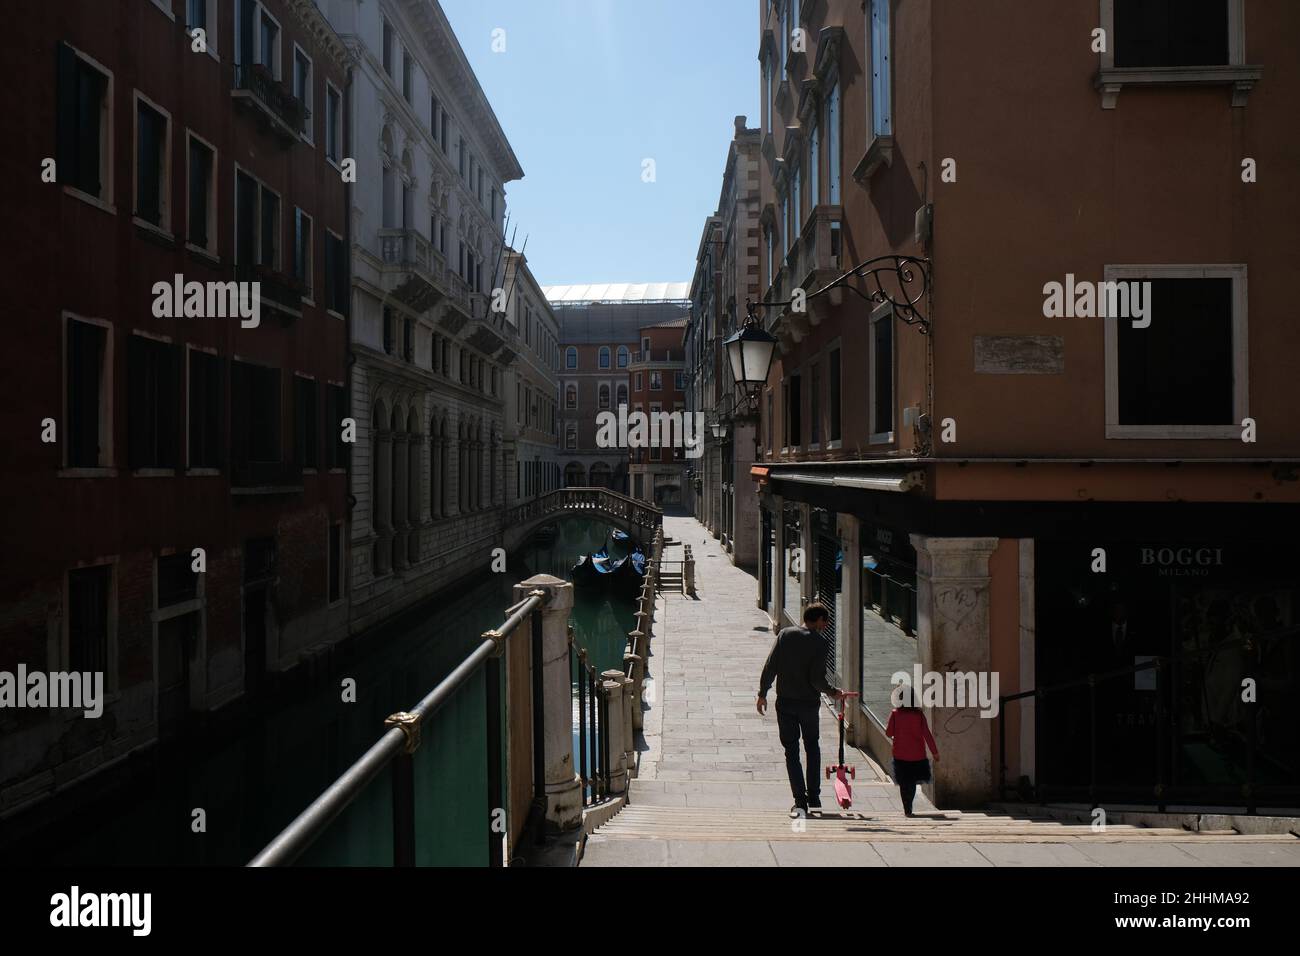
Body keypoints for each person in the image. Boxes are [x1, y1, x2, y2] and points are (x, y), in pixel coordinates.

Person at [756, 604, 845, 818]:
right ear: (818, 620)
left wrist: (762, 693)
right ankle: (814, 796)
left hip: (785, 703)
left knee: (791, 752)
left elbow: (771, 666)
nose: (826, 626)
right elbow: (816, 679)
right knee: (812, 748)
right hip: (808, 705)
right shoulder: (821, 643)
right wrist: (833, 692)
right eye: (825, 622)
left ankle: (800, 801)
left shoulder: (786, 635)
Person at [885, 686, 939, 817]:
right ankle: (910, 805)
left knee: (904, 783)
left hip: (900, 754)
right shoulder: (919, 715)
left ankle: (907, 809)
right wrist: (935, 752)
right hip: (917, 755)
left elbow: (888, 733)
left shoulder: (895, 714)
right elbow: (927, 735)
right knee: (913, 782)